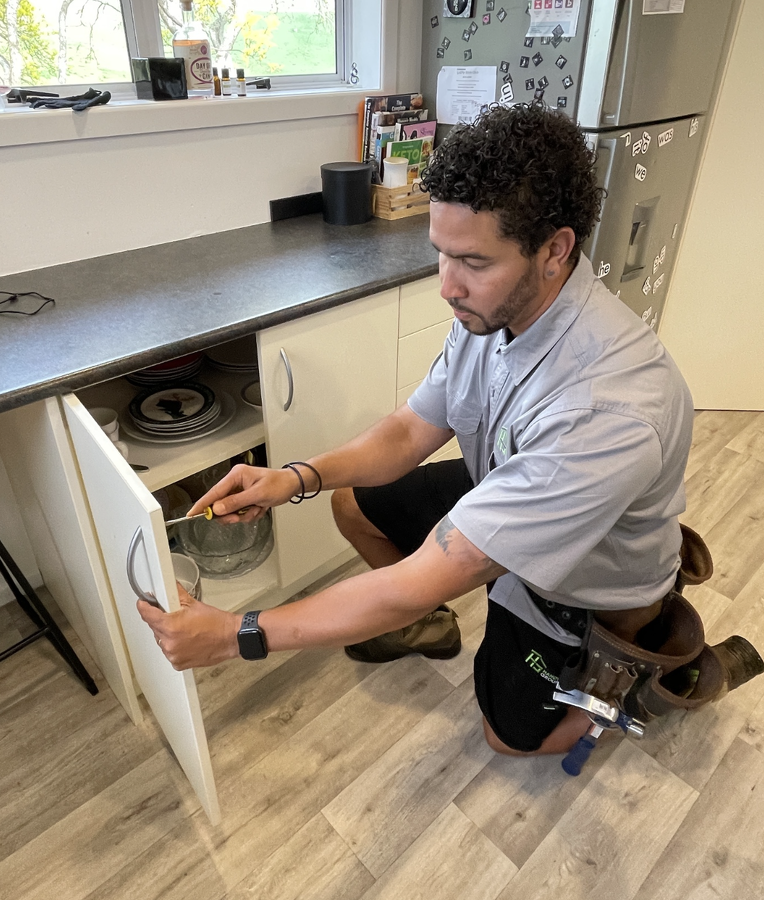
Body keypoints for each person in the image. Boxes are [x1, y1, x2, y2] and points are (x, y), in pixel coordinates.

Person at [138, 103, 759, 756]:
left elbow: (432, 574)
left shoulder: (606, 409)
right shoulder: (493, 312)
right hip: (509, 491)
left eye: (471, 262)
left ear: (554, 251)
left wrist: (241, 633)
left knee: (511, 741)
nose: (446, 286)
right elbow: (408, 432)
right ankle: (426, 630)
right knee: (351, 500)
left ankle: (649, 681)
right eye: (440, 255)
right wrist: (295, 477)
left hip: (584, 582)